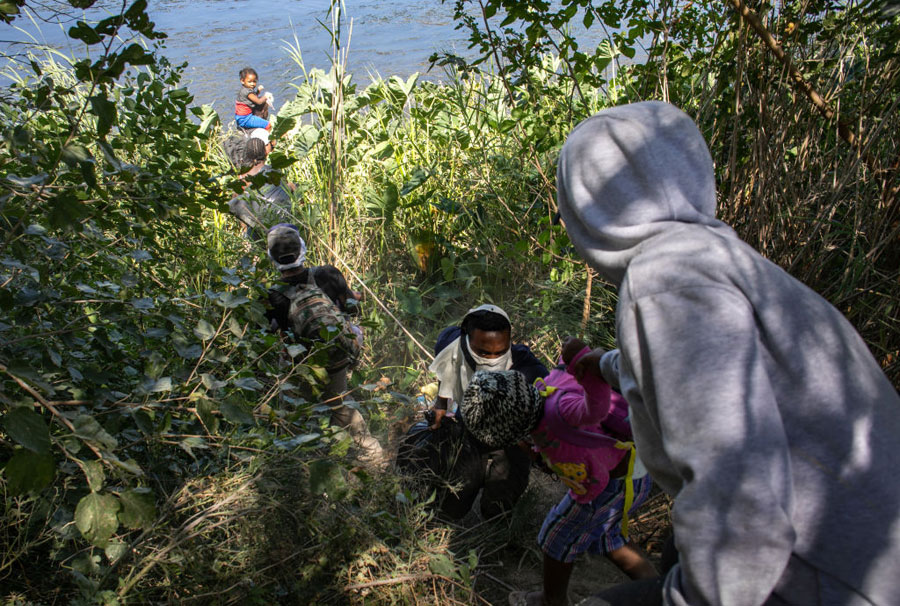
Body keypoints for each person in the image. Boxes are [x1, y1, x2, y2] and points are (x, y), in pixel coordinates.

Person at [555, 101, 900, 605]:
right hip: (863, 555)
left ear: (583, 209)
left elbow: (742, 498)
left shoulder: (666, 281)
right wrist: (602, 364)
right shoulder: (718, 260)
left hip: (834, 579)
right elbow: (688, 372)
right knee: (678, 546)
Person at [459, 336, 657, 606]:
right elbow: (564, 369)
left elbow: (594, 410)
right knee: (609, 540)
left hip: (615, 484)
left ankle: (551, 600)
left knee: (556, 535)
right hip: (625, 476)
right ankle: (660, 589)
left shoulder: (559, 411)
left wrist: (589, 367)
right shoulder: (542, 394)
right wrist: (568, 355)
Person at [266, 224, 382, 465]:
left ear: (272, 258)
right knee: (340, 406)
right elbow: (353, 308)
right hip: (335, 357)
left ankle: (305, 462)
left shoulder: (271, 295)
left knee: (294, 415)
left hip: (302, 364)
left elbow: (268, 332)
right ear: (302, 250)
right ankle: (373, 458)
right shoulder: (327, 274)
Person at [425, 304, 549, 519]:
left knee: (500, 505)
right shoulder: (450, 344)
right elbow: (448, 372)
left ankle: (497, 531)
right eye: (483, 352)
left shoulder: (527, 369)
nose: (492, 361)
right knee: (454, 498)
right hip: (468, 425)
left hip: (512, 438)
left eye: (500, 353)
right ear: (466, 341)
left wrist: (540, 453)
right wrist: (440, 405)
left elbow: (542, 415)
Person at [227, 129, 295, 243]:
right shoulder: (273, 171)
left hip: (254, 226)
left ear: (248, 153)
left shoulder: (243, 175)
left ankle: (245, 237)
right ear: (264, 151)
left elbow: (235, 202)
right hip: (276, 224)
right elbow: (285, 189)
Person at [235, 67, 272, 131]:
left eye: (254, 81)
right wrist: (266, 96)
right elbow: (259, 102)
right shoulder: (247, 92)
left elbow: (252, 98)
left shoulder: (244, 90)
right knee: (268, 125)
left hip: (240, 118)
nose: (252, 84)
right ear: (242, 81)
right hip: (246, 119)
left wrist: (258, 91)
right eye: (249, 82)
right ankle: (270, 140)